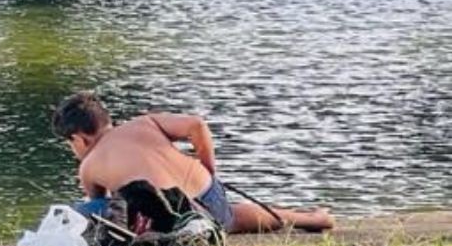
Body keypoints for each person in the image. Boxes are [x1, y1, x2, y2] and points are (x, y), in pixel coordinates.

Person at [51, 92, 333, 235]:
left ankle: (307, 218)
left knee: (83, 210)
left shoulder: (89, 166)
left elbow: (103, 212)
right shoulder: (146, 122)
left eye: (70, 144)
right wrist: (208, 169)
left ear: (79, 139)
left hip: (178, 220)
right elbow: (196, 125)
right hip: (210, 195)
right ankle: (311, 218)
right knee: (230, 217)